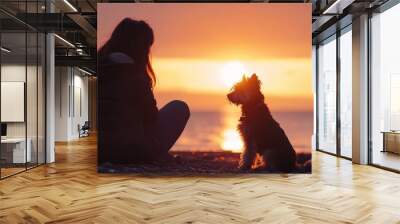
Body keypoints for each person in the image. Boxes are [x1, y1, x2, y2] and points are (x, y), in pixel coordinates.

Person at [98, 18, 190, 165]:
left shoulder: (99, 64)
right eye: (148, 46)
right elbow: (151, 116)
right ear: (140, 46)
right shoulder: (133, 72)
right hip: (132, 152)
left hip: (101, 151)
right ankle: (156, 154)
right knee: (179, 107)